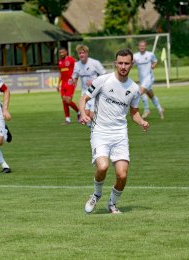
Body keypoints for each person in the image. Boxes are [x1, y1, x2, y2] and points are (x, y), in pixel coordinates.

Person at [79, 48, 149, 214]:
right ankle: (96, 195)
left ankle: (112, 203)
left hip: (120, 135)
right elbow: (84, 98)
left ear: (132, 64)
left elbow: (134, 113)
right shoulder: (102, 80)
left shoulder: (133, 88)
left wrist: (141, 122)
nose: (123, 66)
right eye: (120, 63)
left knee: (122, 176)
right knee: (102, 167)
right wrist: (83, 113)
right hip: (100, 132)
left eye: (126, 63)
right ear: (115, 63)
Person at [72, 45, 107, 122]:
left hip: (95, 92)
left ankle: (105, 127)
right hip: (84, 93)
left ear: (87, 53)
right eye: (79, 53)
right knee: (86, 115)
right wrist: (73, 81)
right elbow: (75, 77)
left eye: (83, 53)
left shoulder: (95, 63)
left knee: (92, 115)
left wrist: (94, 82)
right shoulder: (77, 65)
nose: (81, 55)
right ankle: (94, 130)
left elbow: (105, 75)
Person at [133, 41, 164, 119]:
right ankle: (160, 109)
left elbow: (155, 61)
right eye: (140, 46)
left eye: (143, 46)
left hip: (149, 78)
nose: (142, 47)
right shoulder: (135, 56)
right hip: (142, 79)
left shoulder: (150, 54)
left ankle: (147, 110)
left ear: (146, 46)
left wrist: (153, 65)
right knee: (150, 95)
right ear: (138, 46)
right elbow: (132, 64)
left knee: (140, 91)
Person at [57, 47, 80, 125]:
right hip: (63, 83)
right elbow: (60, 73)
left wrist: (75, 80)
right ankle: (67, 119)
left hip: (70, 82)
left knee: (68, 100)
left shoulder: (71, 60)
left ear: (66, 52)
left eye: (62, 52)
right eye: (60, 53)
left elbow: (77, 69)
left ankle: (79, 111)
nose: (61, 54)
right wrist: (58, 84)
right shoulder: (60, 61)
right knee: (64, 101)